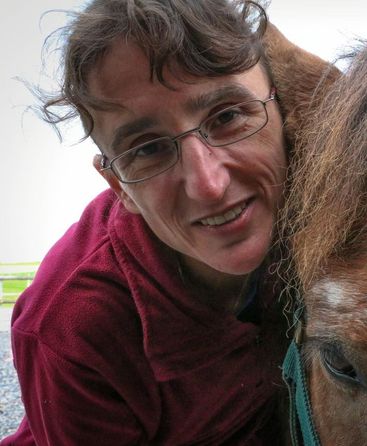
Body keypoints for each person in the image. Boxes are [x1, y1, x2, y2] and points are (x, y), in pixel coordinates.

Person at [1, 1, 314, 444]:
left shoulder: (324, 213)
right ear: (119, 187)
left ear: (287, 118)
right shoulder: (73, 329)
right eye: (148, 148)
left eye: (227, 117)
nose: (209, 185)